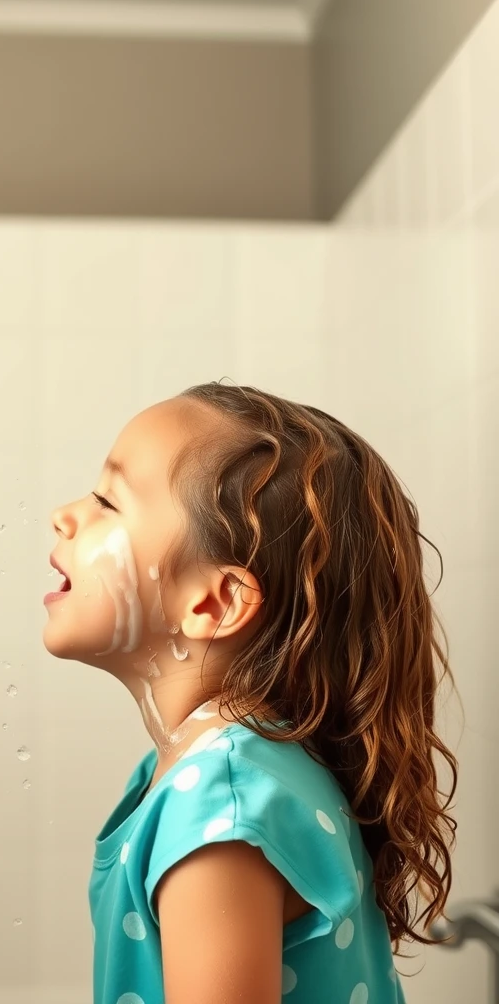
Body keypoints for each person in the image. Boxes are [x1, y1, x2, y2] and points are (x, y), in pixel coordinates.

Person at [42, 383, 456, 1004]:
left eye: (108, 500)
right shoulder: (227, 769)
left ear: (216, 602)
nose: (66, 514)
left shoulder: (221, 811)